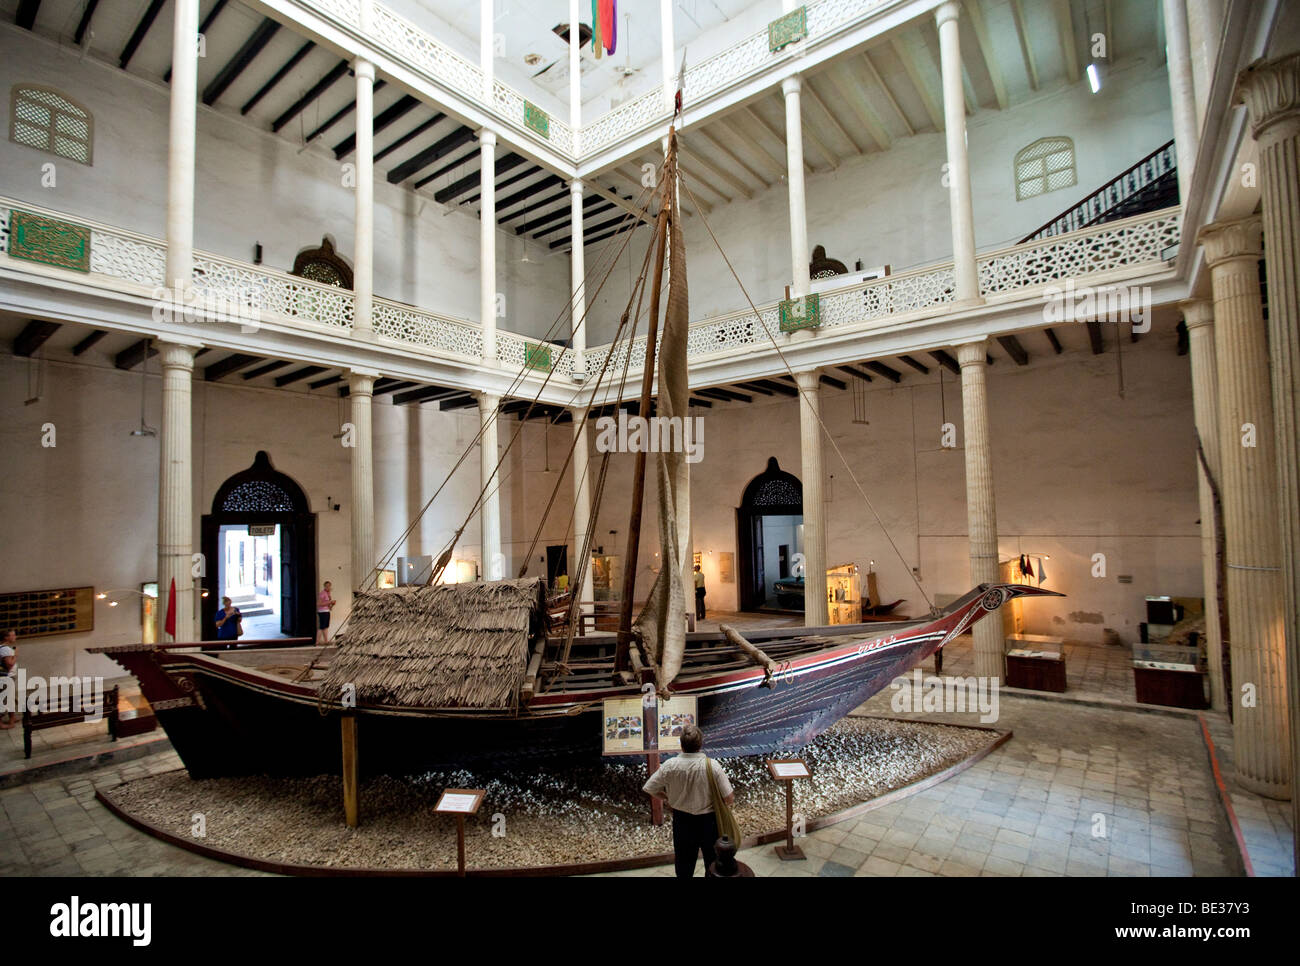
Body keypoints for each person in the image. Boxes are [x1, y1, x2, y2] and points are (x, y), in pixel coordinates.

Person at [642, 724, 734, 877]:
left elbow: (649, 787)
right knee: (712, 863)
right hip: (709, 822)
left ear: (681, 744)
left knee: (684, 864)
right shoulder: (713, 766)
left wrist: (667, 799)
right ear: (700, 744)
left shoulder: (670, 765)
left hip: (682, 820)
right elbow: (729, 798)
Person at [0, 629, 16, 728]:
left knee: (10, 699)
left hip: (8, 677)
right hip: (6, 677)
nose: (15, 637)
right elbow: (9, 664)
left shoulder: (4, 648)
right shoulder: (5, 649)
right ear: (6, 637)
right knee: (4, 700)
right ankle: (1, 724)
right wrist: (16, 655)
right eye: (13, 635)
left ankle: (12, 719)